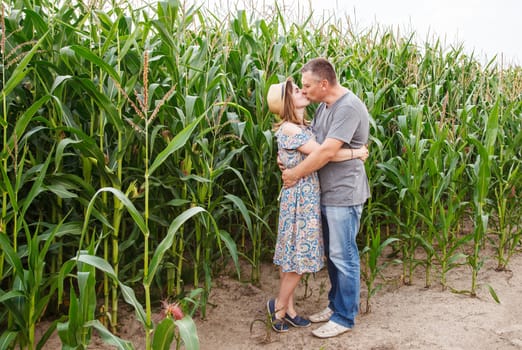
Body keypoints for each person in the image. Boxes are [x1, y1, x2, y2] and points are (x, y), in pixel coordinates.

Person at [266, 77, 368, 333]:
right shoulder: (291, 129)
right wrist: (358, 153)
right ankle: (279, 309)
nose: (302, 91)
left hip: (307, 195)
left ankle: (288, 309)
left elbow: (320, 149)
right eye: (295, 90)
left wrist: (289, 165)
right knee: (297, 257)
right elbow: (324, 153)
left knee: (295, 253)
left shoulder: (305, 125)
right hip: (300, 198)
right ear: (287, 101)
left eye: (302, 87)